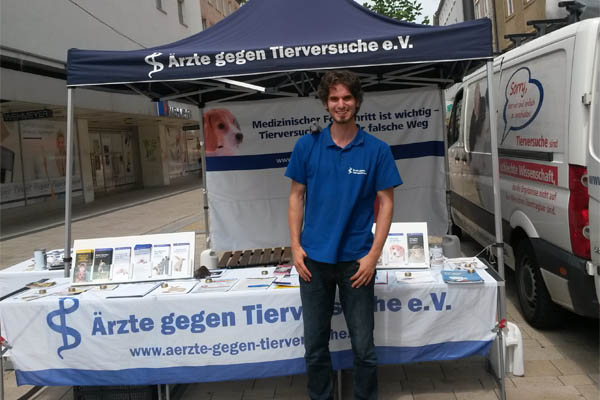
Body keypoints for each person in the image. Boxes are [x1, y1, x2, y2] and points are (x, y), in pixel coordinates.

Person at [285, 70, 402, 399]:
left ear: (357, 101)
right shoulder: (307, 146)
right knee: (315, 347)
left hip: (357, 262)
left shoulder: (377, 150)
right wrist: (295, 247)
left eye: (347, 97)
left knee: (364, 348)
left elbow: (387, 203)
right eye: (334, 98)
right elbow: (295, 197)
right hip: (313, 260)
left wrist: (373, 256)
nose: (341, 104)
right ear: (325, 103)